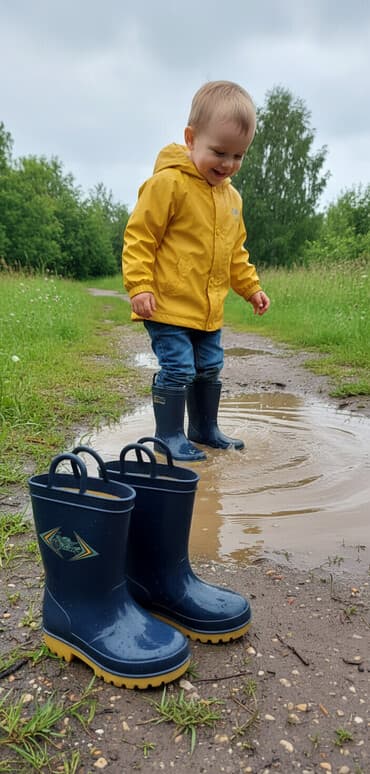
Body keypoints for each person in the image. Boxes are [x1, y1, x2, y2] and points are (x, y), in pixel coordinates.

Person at [122, 80, 270, 461]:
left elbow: (235, 253)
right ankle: (168, 436)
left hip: (208, 310)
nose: (228, 164)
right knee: (179, 368)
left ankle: (204, 429)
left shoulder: (232, 199)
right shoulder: (168, 184)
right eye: (219, 152)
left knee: (209, 367)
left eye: (238, 156)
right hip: (167, 306)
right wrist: (139, 285)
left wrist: (251, 288)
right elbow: (140, 236)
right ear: (191, 139)